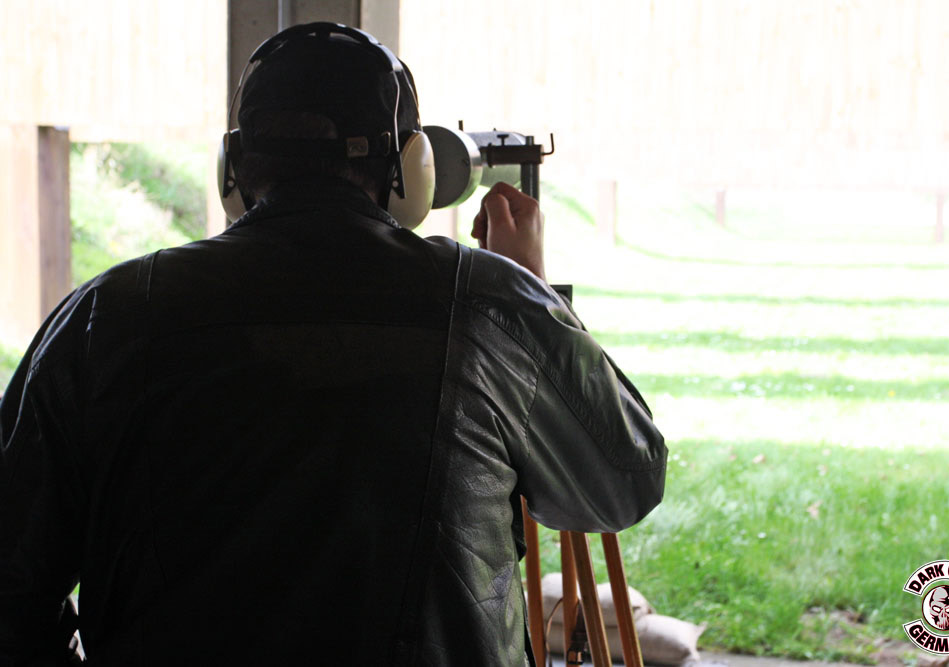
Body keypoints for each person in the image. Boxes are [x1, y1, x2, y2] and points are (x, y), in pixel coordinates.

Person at [0, 23, 666, 666]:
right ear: (412, 167)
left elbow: (10, 586)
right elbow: (625, 480)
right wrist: (534, 297)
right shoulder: (488, 303)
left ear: (234, 167)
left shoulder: (107, 313)